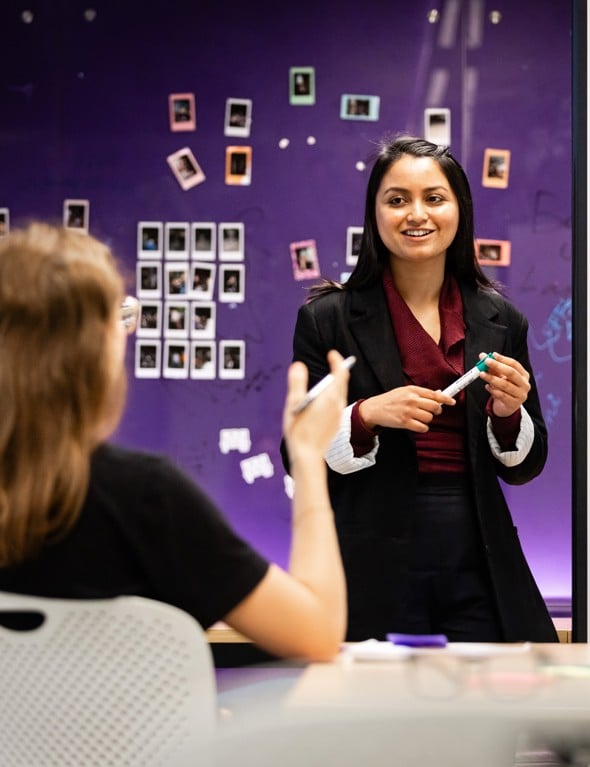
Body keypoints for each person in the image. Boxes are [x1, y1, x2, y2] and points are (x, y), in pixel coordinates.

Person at [0, 223, 349, 662]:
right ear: (93, 352)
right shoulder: (144, 496)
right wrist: (308, 456)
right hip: (127, 733)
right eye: (120, 319)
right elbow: (316, 634)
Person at [282, 135, 558, 643]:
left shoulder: (502, 319)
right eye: (396, 199)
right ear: (375, 214)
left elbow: (526, 466)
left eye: (434, 198)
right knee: (378, 715)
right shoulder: (327, 319)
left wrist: (508, 414)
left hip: (479, 550)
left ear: (460, 210)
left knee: (491, 713)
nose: (416, 214)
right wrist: (365, 416)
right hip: (368, 552)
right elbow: (295, 455)